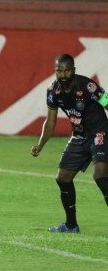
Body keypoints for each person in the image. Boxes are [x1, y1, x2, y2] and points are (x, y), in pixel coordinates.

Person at [31, 54, 108, 233]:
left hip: (100, 132)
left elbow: (106, 102)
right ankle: (71, 225)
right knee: (63, 178)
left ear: (73, 70)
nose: (63, 75)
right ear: (55, 71)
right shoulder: (52, 91)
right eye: (59, 71)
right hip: (79, 136)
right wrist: (40, 145)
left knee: (100, 176)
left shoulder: (87, 86)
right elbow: (50, 122)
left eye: (67, 71)